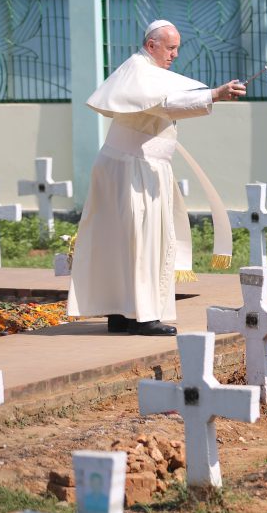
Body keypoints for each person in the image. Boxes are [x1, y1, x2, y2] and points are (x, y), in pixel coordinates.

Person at [68, 20, 245, 336]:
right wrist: (214, 95)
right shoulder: (138, 72)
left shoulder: (146, 72)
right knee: (141, 240)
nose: (175, 54)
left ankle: (124, 313)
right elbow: (166, 104)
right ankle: (143, 316)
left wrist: (211, 94)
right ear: (152, 45)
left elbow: (171, 98)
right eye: (171, 47)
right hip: (132, 169)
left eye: (177, 47)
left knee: (126, 242)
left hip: (133, 167)